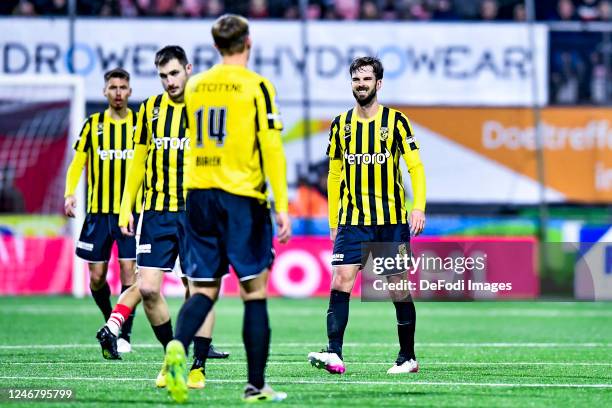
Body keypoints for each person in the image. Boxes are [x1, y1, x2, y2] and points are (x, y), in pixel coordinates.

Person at [162, 14, 291, 403]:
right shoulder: (257, 86)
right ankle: (255, 386)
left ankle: (178, 348)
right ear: (248, 41)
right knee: (253, 291)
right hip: (241, 197)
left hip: (198, 194)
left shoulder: (196, 85)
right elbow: (271, 148)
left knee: (203, 289)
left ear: (216, 46)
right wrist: (282, 206)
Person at [94, 46, 228, 388]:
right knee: (150, 289)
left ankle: (197, 366)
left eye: (174, 73)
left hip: (198, 213)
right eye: (163, 76)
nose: (169, 81)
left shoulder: (207, 108)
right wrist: (126, 207)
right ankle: (174, 355)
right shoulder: (151, 110)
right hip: (156, 212)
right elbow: (138, 161)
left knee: (199, 289)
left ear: (188, 69)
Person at [307, 56, 426, 375]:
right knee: (341, 279)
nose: (360, 85)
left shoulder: (397, 122)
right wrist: (334, 222)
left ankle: (408, 357)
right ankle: (334, 353)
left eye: (366, 79)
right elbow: (334, 175)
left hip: (390, 222)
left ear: (379, 83)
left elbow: (415, 167)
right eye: (356, 80)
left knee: (397, 287)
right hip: (353, 220)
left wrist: (419, 206)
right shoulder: (341, 124)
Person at [64, 68, 141, 351]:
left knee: (128, 273)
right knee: (96, 278)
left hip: (130, 213)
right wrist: (70, 193)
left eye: (123, 87)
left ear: (130, 91)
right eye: (113, 87)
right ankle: (111, 320)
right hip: (98, 213)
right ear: (104, 92)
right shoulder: (92, 125)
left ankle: (123, 335)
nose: (118, 92)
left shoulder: (140, 125)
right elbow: (77, 163)